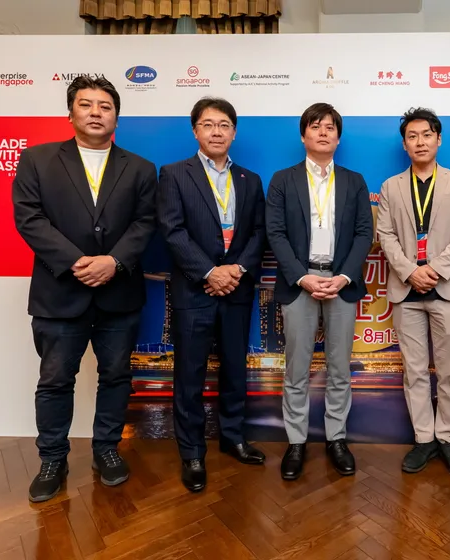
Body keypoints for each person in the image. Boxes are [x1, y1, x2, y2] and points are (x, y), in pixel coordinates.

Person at [12, 76, 157, 503]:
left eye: (105, 106)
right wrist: (77, 261)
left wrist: (114, 261)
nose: (96, 112)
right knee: (55, 380)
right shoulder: (37, 160)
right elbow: (29, 218)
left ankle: (106, 450)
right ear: (70, 113)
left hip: (119, 292)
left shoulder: (140, 168)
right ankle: (52, 459)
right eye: (86, 104)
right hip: (60, 292)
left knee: (116, 376)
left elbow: (146, 222)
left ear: (116, 117)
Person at [157, 97, 267, 493]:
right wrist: (209, 272)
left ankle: (233, 437)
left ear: (234, 132)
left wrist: (236, 271)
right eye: (208, 124)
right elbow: (172, 231)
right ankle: (191, 451)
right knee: (190, 374)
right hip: (195, 289)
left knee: (235, 368)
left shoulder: (250, 180)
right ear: (195, 131)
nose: (216, 131)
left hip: (236, 288)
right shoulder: (174, 174)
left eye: (224, 125)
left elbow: (259, 232)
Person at [265, 102, 373, 480]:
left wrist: (344, 276)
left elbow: (364, 233)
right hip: (300, 282)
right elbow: (275, 233)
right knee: (297, 368)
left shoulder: (354, 181)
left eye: (330, 127)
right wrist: (301, 277)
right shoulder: (283, 180)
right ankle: (296, 442)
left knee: (339, 367)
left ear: (338, 137)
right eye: (315, 126)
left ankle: (336, 439)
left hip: (341, 282)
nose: (323, 132)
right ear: (303, 135)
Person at [376, 107, 450, 480]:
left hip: (446, 288)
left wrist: (434, 270)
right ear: (405, 144)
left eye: (426, 134)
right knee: (415, 371)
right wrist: (410, 271)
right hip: (407, 291)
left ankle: (448, 438)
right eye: (412, 136)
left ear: (438, 139)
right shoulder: (390, 187)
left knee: (449, 372)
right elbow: (385, 235)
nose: (419, 142)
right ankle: (424, 438)